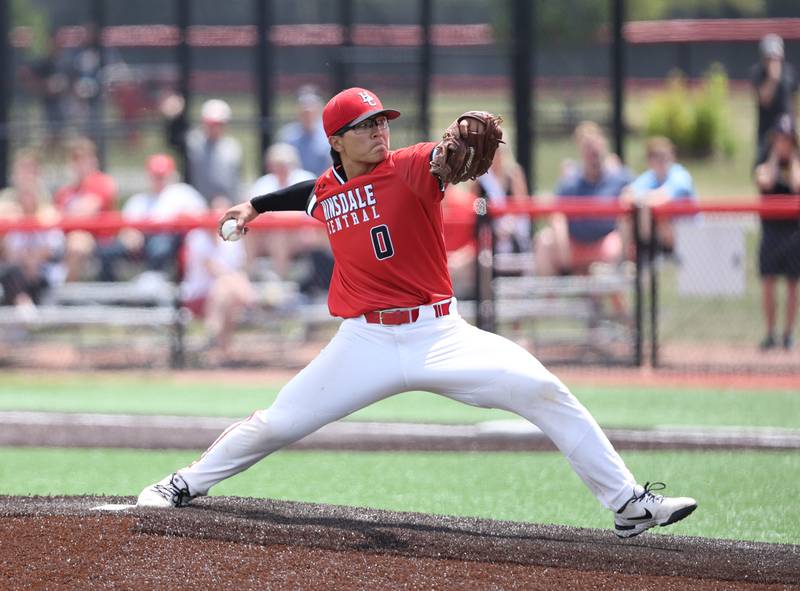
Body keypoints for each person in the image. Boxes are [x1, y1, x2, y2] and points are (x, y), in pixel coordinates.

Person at [137, 87, 697, 539]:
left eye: (383, 121)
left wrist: (449, 158)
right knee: (277, 423)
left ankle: (627, 503)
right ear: (336, 141)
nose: (381, 130)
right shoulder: (328, 190)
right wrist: (257, 204)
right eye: (367, 125)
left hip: (440, 334)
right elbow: (308, 190)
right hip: (364, 344)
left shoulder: (410, 166)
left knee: (543, 388)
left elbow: (438, 161)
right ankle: (182, 483)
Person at [534, 122, 631, 278]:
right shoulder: (570, 182)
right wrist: (564, 251)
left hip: (605, 242)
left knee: (613, 251)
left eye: (597, 151)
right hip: (574, 244)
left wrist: (629, 195)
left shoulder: (619, 178)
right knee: (544, 241)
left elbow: (636, 197)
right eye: (589, 151)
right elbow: (557, 215)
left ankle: (610, 297)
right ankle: (549, 300)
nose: (594, 156)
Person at [97, 153, 206, 281]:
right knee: (107, 251)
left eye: (162, 175)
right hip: (142, 242)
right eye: (155, 176)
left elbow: (201, 217)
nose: (159, 179)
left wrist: (181, 220)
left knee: (159, 246)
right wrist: (130, 234)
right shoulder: (139, 200)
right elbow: (125, 228)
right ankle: (112, 291)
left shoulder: (183, 193)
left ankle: (152, 285)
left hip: (171, 240)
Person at [180, 196, 256, 363]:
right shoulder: (197, 236)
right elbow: (214, 270)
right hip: (198, 294)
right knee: (224, 287)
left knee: (226, 292)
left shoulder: (233, 238)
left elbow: (240, 269)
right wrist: (244, 290)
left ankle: (217, 347)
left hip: (226, 294)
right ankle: (218, 344)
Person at [248, 142, 329, 283]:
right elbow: (254, 212)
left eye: (284, 164)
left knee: (279, 236)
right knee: (251, 234)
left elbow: (311, 212)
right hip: (270, 235)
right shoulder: (265, 183)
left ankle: (280, 281)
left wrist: (275, 216)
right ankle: (247, 276)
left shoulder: (305, 179)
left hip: (304, 234)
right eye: (276, 164)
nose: (280, 168)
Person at [753, 113, 800, 351]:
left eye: (787, 138)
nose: (783, 143)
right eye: (779, 138)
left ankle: (788, 334)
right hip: (771, 233)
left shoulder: (796, 164)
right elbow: (766, 182)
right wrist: (773, 156)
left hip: (793, 234)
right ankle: (770, 333)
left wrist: (792, 158)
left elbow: (796, 184)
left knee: (793, 285)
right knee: (768, 284)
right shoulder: (764, 162)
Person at [0, 149, 64, 307]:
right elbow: (8, 249)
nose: (26, 176)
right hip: (16, 269)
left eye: (31, 170)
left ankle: (26, 311)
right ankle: (25, 310)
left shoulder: (48, 206)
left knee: (19, 274)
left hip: (40, 271)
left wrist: (32, 260)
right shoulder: (7, 202)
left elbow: (53, 245)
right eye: (22, 170)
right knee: (12, 272)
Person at [620, 136, 696, 257]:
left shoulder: (680, 175)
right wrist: (643, 200)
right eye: (656, 155)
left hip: (692, 237)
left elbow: (663, 198)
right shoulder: (650, 177)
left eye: (666, 154)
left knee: (660, 215)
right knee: (628, 215)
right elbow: (626, 195)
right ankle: (630, 259)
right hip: (662, 237)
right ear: (649, 160)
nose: (662, 160)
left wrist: (643, 199)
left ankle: (650, 255)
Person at [53, 137, 117, 281]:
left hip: (100, 241)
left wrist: (65, 216)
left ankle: (63, 294)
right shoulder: (65, 191)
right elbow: (52, 216)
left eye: (86, 158)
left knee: (77, 242)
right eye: (76, 159)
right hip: (65, 239)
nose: (81, 164)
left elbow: (84, 213)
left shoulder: (101, 182)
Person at [750, 34, 798, 162]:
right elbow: (764, 100)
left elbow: (793, 101)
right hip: (767, 132)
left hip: (787, 131)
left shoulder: (789, 72)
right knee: (765, 172)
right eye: (769, 58)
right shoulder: (758, 73)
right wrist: (772, 79)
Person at [186, 99, 243, 205]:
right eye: (210, 124)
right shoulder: (194, 143)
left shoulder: (233, 147)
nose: (214, 128)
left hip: (228, 204)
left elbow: (236, 180)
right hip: (198, 204)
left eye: (218, 124)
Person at [277, 86, 332, 176]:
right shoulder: (287, 135)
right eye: (304, 110)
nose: (308, 113)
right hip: (296, 184)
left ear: (319, 109)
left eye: (311, 108)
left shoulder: (329, 133)